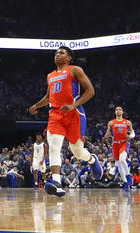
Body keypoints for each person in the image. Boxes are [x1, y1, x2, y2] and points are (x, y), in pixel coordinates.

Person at [28, 46, 101, 197]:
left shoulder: (75, 70)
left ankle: (92, 160)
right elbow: (48, 97)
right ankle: (57, 182)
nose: (57, 55)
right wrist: (36, 105)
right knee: (54, 147)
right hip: (55, 114)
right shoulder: (50, 75)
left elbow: (90, 91)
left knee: (77, 151)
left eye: (61, 53)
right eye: (56, 53)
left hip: (74, 113)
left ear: (69, 58)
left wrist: (74, 105)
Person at [104, 106, 135, 190]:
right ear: (115, 112)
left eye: (120, 110)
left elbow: (133, 133)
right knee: (119, 164)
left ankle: (128, 175)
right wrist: (107, 135)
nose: (118, 111)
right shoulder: (111, 123)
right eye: (116, 110)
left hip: (124, 143)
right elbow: (107, 134)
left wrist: (130, 136)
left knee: (122, 159)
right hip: (115, 144)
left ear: (122, 112)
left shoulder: (127, 122)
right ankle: (125, 183)